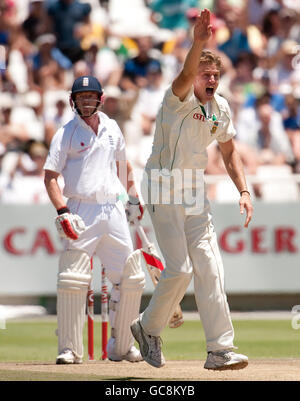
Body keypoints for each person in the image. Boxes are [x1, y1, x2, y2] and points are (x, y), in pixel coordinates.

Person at [131, 9, 253, 371]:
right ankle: (148, 327)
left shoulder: (221, 109)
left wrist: (244, 191)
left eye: (215, 74)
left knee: (211, 269)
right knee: (180, 270)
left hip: (194, 190)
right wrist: (199, 41)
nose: (211, 79)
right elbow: (185, 74)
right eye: (206, 74)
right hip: (162, 186)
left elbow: (230, 152)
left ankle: (220, 350)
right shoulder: (177, 99)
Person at [43, 75, 145, 364]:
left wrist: (134, 197)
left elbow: (123, 167)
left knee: (130, 276)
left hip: (112, 209)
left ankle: (122, 345)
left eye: (91, 96)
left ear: (100, 99)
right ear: (72, 100)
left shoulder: (112, 128)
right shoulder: (66, 133)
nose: (86, 101)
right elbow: (50, 177)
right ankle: (69, 349)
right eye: (81, 96)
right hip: (80, 208)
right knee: (73, 279)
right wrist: (63, 211)